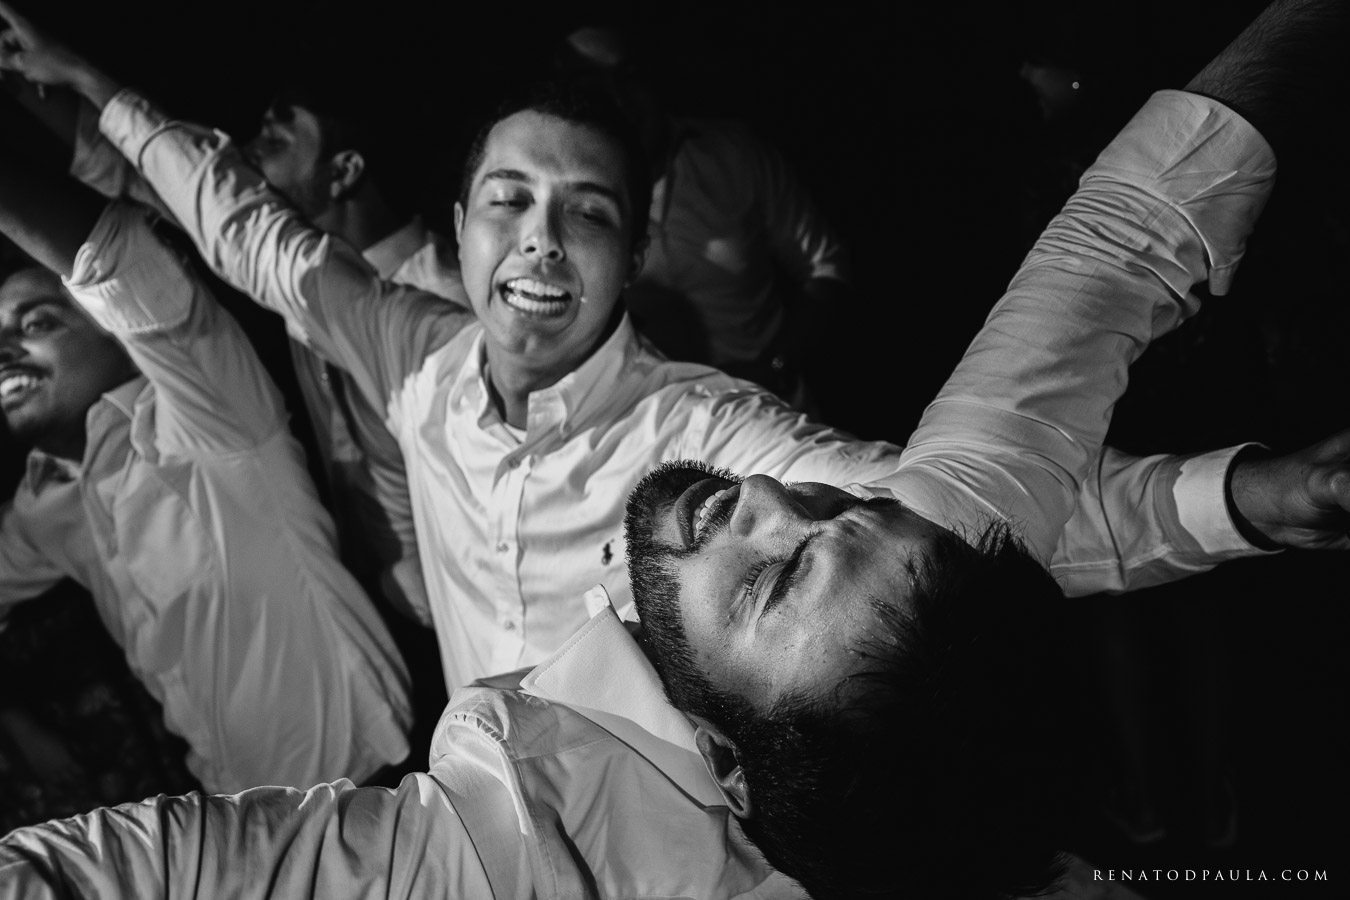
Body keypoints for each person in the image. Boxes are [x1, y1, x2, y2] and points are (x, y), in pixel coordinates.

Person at [4, 2, 1347, 896]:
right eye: (508, 200)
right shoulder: (414, 357)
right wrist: (96, 91)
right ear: (458, 229)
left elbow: (949, 531)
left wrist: (1236, 497)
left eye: (585, 210)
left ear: (636, 243)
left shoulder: (700, 440)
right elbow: (251, 235)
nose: (540, 238)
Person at [0, 146, 412, 792]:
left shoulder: (209, 412)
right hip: (240, 818)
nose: (5, 349)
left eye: (36, 323)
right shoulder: (42, 504)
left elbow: (119, 260)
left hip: (370, 785)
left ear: (117, 334)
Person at [4, 62, 467, 630]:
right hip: (391, 598)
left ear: (343, 172)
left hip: (459, 604)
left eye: (275, 141)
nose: (246, 154)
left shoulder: (445, 303)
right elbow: (145, 180)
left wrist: (82, 74)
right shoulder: (300, 283)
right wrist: (32, 80)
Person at [558, 26, 848, 409]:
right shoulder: (564, 192)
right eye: (595, 84)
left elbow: (826, 266)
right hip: (645, 418)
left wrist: (777, 365)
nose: (618, 98)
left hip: (766, 405)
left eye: (628, 77)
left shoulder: (733, 155)